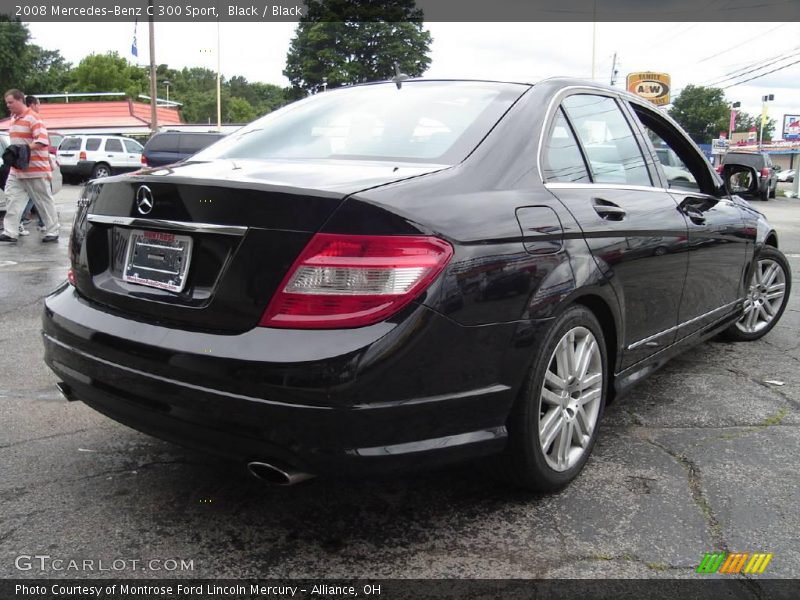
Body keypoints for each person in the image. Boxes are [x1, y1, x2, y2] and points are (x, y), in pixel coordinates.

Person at [0, 89, 59, 243]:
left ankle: (52, 231)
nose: (8, 105)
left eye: (11, 102)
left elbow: (42, 141)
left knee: (43, 201)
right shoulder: (13, 119)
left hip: (35, 170)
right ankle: (10, 232)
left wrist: (23, 148)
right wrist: (15, 153)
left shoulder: (33, 118)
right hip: (17, 170)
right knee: (12, 198)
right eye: (7, 103)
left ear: (20, 100)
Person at [17, 95, 46, 236]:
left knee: (35, 198)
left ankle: (42, 222)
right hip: (33, 168)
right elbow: (41, 142)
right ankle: (21, 221)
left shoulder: (20, 119)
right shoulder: (33, 119)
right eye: (38, 104)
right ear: (33, 105)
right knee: (37, 197)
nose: (39, 108)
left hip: (29, 167)